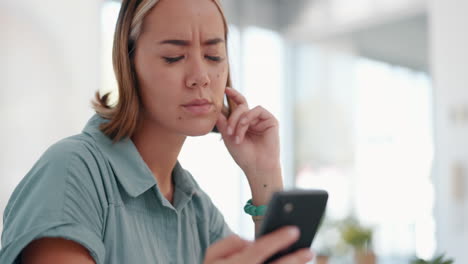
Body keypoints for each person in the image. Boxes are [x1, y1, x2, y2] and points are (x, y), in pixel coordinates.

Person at [0, 0, 315, 263]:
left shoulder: (196, 209)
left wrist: (264, 173)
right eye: (173, 57)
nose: (200, 76)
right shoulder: (72, 171)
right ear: (129, 65)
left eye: (213, 56)